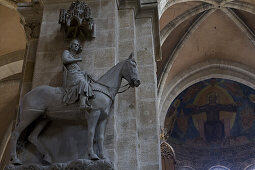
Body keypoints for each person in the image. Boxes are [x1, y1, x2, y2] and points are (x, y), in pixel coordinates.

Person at [62, 39, 94, 110]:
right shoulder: (66, 52)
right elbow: (65, 60)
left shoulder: (73, 56)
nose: (76, 46)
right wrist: (77, 60)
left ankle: (85, 100)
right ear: (70, 45)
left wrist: (83, 73)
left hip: (76, 75)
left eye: (77, 45)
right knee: (83, 82)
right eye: (75, 44)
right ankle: (82, 105)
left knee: (88, 82)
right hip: (71, 76)